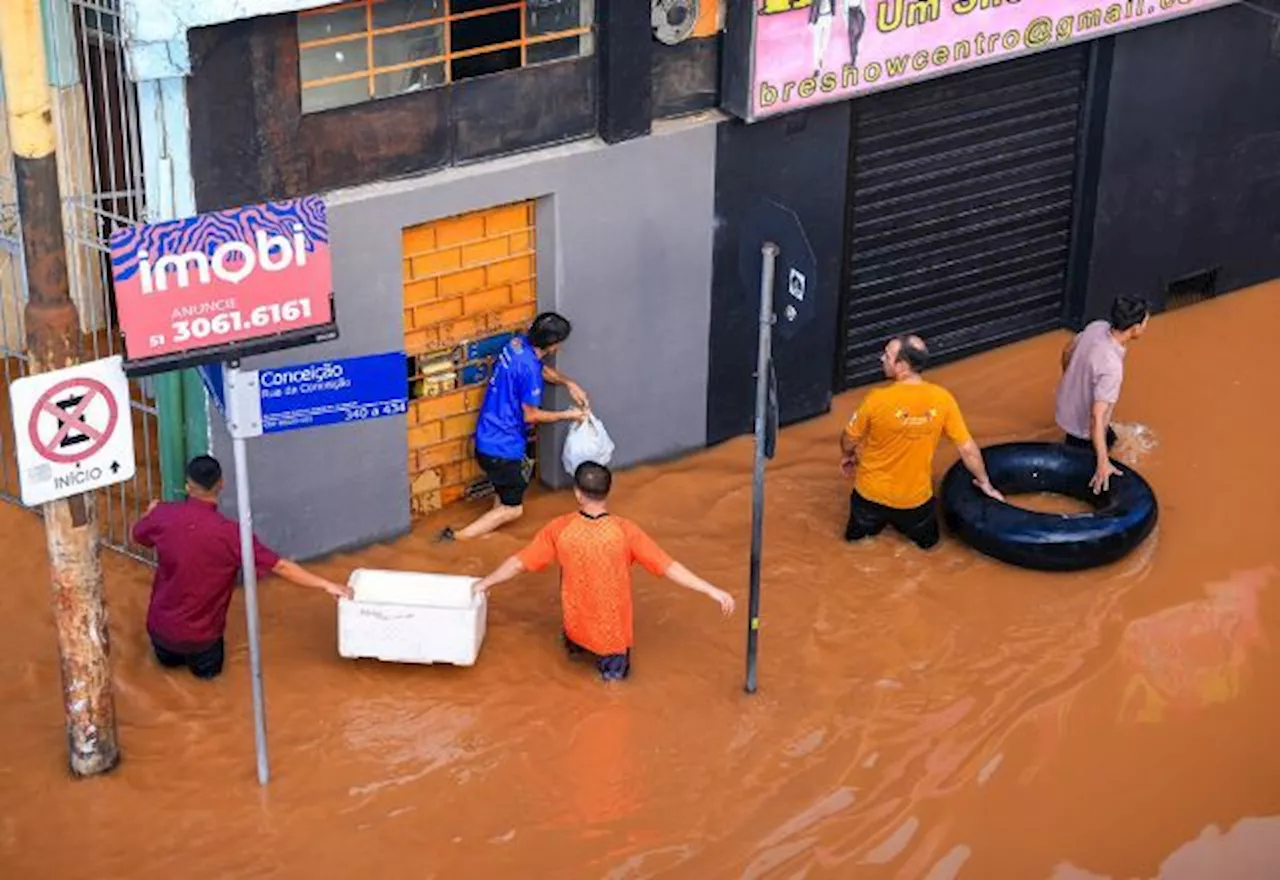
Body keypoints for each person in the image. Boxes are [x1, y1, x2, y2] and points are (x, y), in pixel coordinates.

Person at [473, 462, 735, 681]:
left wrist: (484, 583)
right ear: (607, 492)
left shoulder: (559, 529)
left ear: (578, 493)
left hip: (575, 628)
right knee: (613, 698)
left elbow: (519, 563)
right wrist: (711, 589)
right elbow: (668, 567)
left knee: (569, 672)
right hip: (612, 638)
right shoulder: (625, 532)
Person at [132, 455, 352, 679]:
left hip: (161, 632)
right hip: (203, 639)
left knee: (166, 677)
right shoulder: (233, 535)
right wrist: (327, 584)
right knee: (208, 685)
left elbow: (139, 536)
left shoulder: (163, 514)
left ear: (188, 487)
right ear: (221, 484)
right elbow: (281, 567)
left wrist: (150, 513)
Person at [840, 335, 1004, 549]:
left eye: (887, 356)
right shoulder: (942, 399)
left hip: (869, 497)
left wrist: (847, 455)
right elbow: (967, 448)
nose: (881, 359)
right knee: (930, 548)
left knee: (853, 547)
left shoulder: (875, 399)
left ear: (901, 365)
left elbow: (849, 438)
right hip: (914, 503)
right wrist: (985, 483)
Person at [437, 312, 589, 543]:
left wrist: (569, 383)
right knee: (513, 509)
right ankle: (456, 538)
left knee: (503, 494)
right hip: (503, 449)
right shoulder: (529, 371)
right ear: (553, 345)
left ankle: (486, 534)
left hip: (486, 438)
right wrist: (568, 415)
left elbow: (540, 369)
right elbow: (531, 415)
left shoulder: (516, 345)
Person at [1055, 295, 1150, 494]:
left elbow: (1067, 350)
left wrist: (1071, 381)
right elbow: (1096, 417)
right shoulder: (1112, 367)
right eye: (1145, 322)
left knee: (1112, 438)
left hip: (1064, 409)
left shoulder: (1096, 327)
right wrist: (1103, 462)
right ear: (1135, 329)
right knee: (1087, 472)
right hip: (1082, 430)